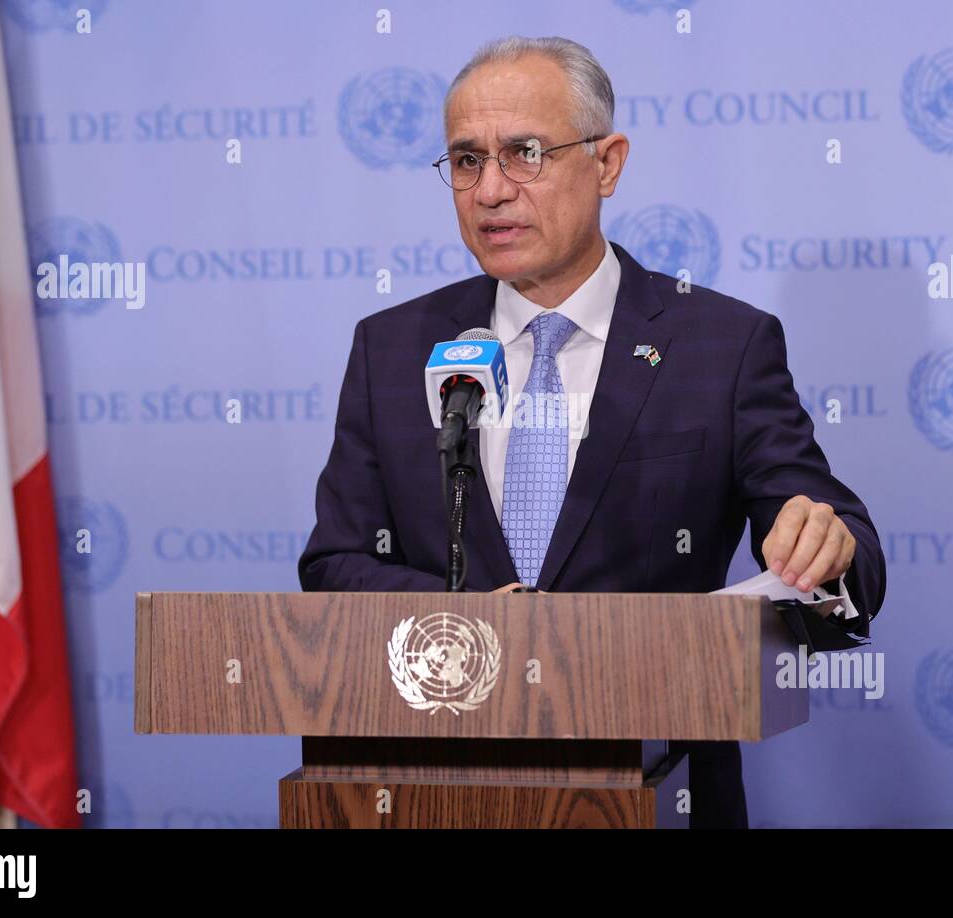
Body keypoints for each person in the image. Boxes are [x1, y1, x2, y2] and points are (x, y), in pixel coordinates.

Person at [300, 36, 886, 828]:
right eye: (466, 161)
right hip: (437, 788)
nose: (492, 190)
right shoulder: (394, 346)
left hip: (657, 793)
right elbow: (336, 566)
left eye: (526, 153)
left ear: (607, 164)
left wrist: (828, 548)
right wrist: (473, 617)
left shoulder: (721, 344)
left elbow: (843, 551)